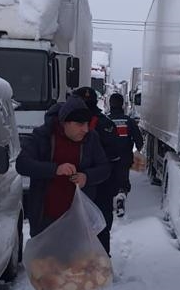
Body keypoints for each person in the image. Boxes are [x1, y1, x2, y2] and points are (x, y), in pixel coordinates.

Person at [16, 95, 110, 238]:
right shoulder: (43, 136)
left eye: (87, 123)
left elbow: (104, 168)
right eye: (80, 124)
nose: (85, 129)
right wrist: (55, 169)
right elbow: (22, 164)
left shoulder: (91, 139)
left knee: (76, 260)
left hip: (79, 219)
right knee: (47, 259)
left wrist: (87, 177)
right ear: (65, 122)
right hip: (45, 218)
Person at [74, 86, 121, 255]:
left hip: (78, 184)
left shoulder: (70, 124)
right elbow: (116, 157)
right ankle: (101, 264)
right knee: (101, 224)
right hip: (103, 184)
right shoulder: (106, 124)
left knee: (76, 225)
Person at [108, 91, 144, 217]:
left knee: (109, 180)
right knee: (123, 181)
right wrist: (138, 150)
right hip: (124, 158)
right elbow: (139, 140)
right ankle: (120, 199)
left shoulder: (105, 120)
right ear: (122, 105)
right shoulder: (128, 121)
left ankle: (108, 203)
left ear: (110, 104)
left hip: (108, 159)